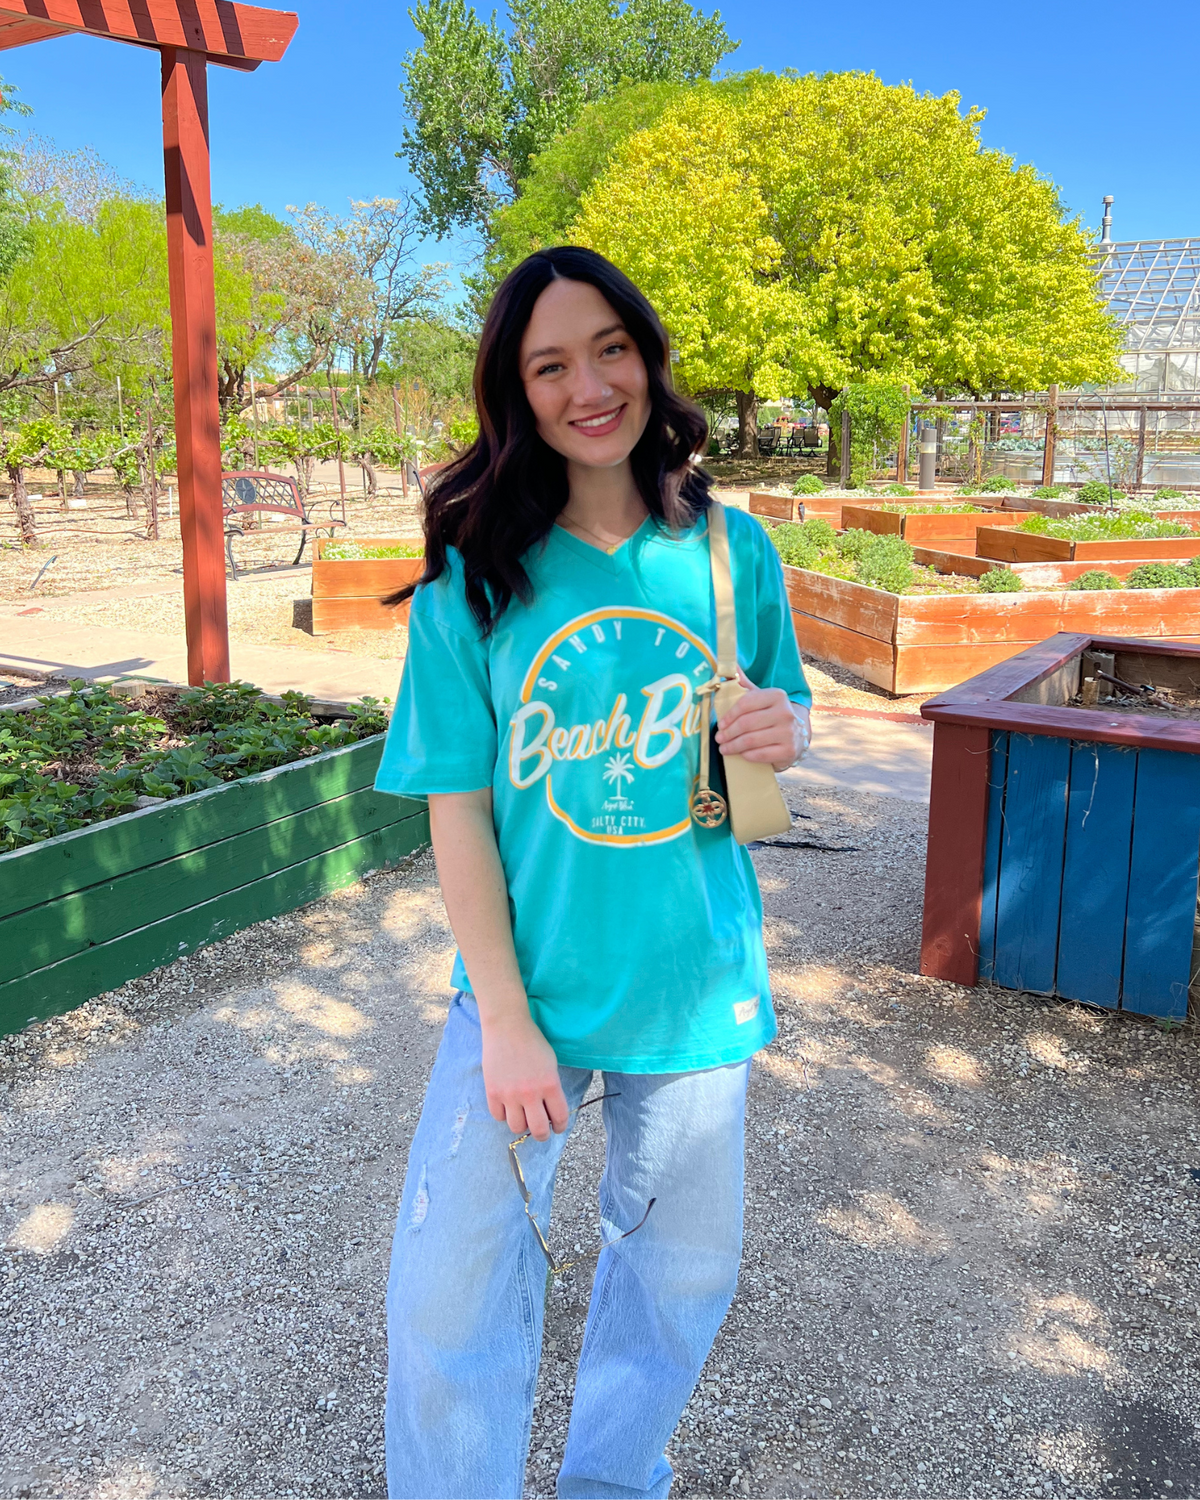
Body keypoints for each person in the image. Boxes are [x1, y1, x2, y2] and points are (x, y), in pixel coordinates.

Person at [374, 245, 812, 1500]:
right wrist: (503, 1023)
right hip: (525, 998)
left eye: (607, 348)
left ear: (646, 355)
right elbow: (457, 810)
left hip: (692, 981)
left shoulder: (730, 552)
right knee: (450, 1293)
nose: (587, 387)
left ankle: (612, 1484)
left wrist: (790, 726)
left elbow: (777, 719)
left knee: (677, 1279)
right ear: (518, 394)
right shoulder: (472, 575)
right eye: (548, 365)